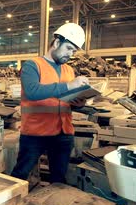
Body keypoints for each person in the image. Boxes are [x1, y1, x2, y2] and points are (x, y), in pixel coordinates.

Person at [10, 23, 89, 184]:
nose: (70, 54)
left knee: (59, 178)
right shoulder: (32, 65)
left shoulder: (69, 70)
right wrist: (70, 85)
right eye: (68, 48)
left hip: (63, 132)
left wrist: (79, 101)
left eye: (73, 51)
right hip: (35, 133)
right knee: (20, 174)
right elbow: (33, 91)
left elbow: (65, 100)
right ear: (57, 42)